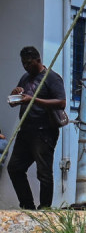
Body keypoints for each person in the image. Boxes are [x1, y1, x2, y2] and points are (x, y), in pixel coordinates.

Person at [7, 46, 66, 210]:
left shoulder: (52, 78)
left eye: (28, 63)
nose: (25, 66)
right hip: (26, 131)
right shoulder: (25, 78)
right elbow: (14, 102)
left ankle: (45, 208)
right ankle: (27, 206)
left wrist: (33, 99)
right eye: (23, 63)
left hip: (44, 131)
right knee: (15, 168)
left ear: (38, 60)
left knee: (44, 172)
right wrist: (15, 94)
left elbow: (61, 102)